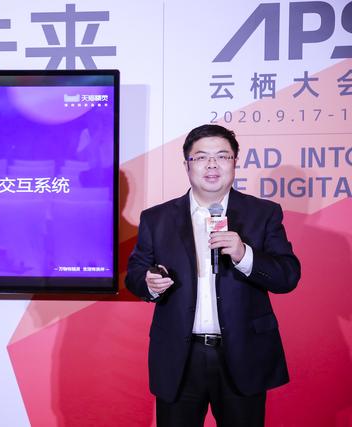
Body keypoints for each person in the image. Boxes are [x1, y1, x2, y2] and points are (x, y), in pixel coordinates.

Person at [125, 124, 300, 427]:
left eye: (222, 156)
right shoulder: (157, 218)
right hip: (180, 356)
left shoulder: (263, 213)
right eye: (201, 157)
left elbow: (288, 276)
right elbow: (135, 274)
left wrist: (244, 254)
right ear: (187, 165)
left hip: (243, 354)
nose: (212, 165)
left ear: (235, 162)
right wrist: (149, 283)